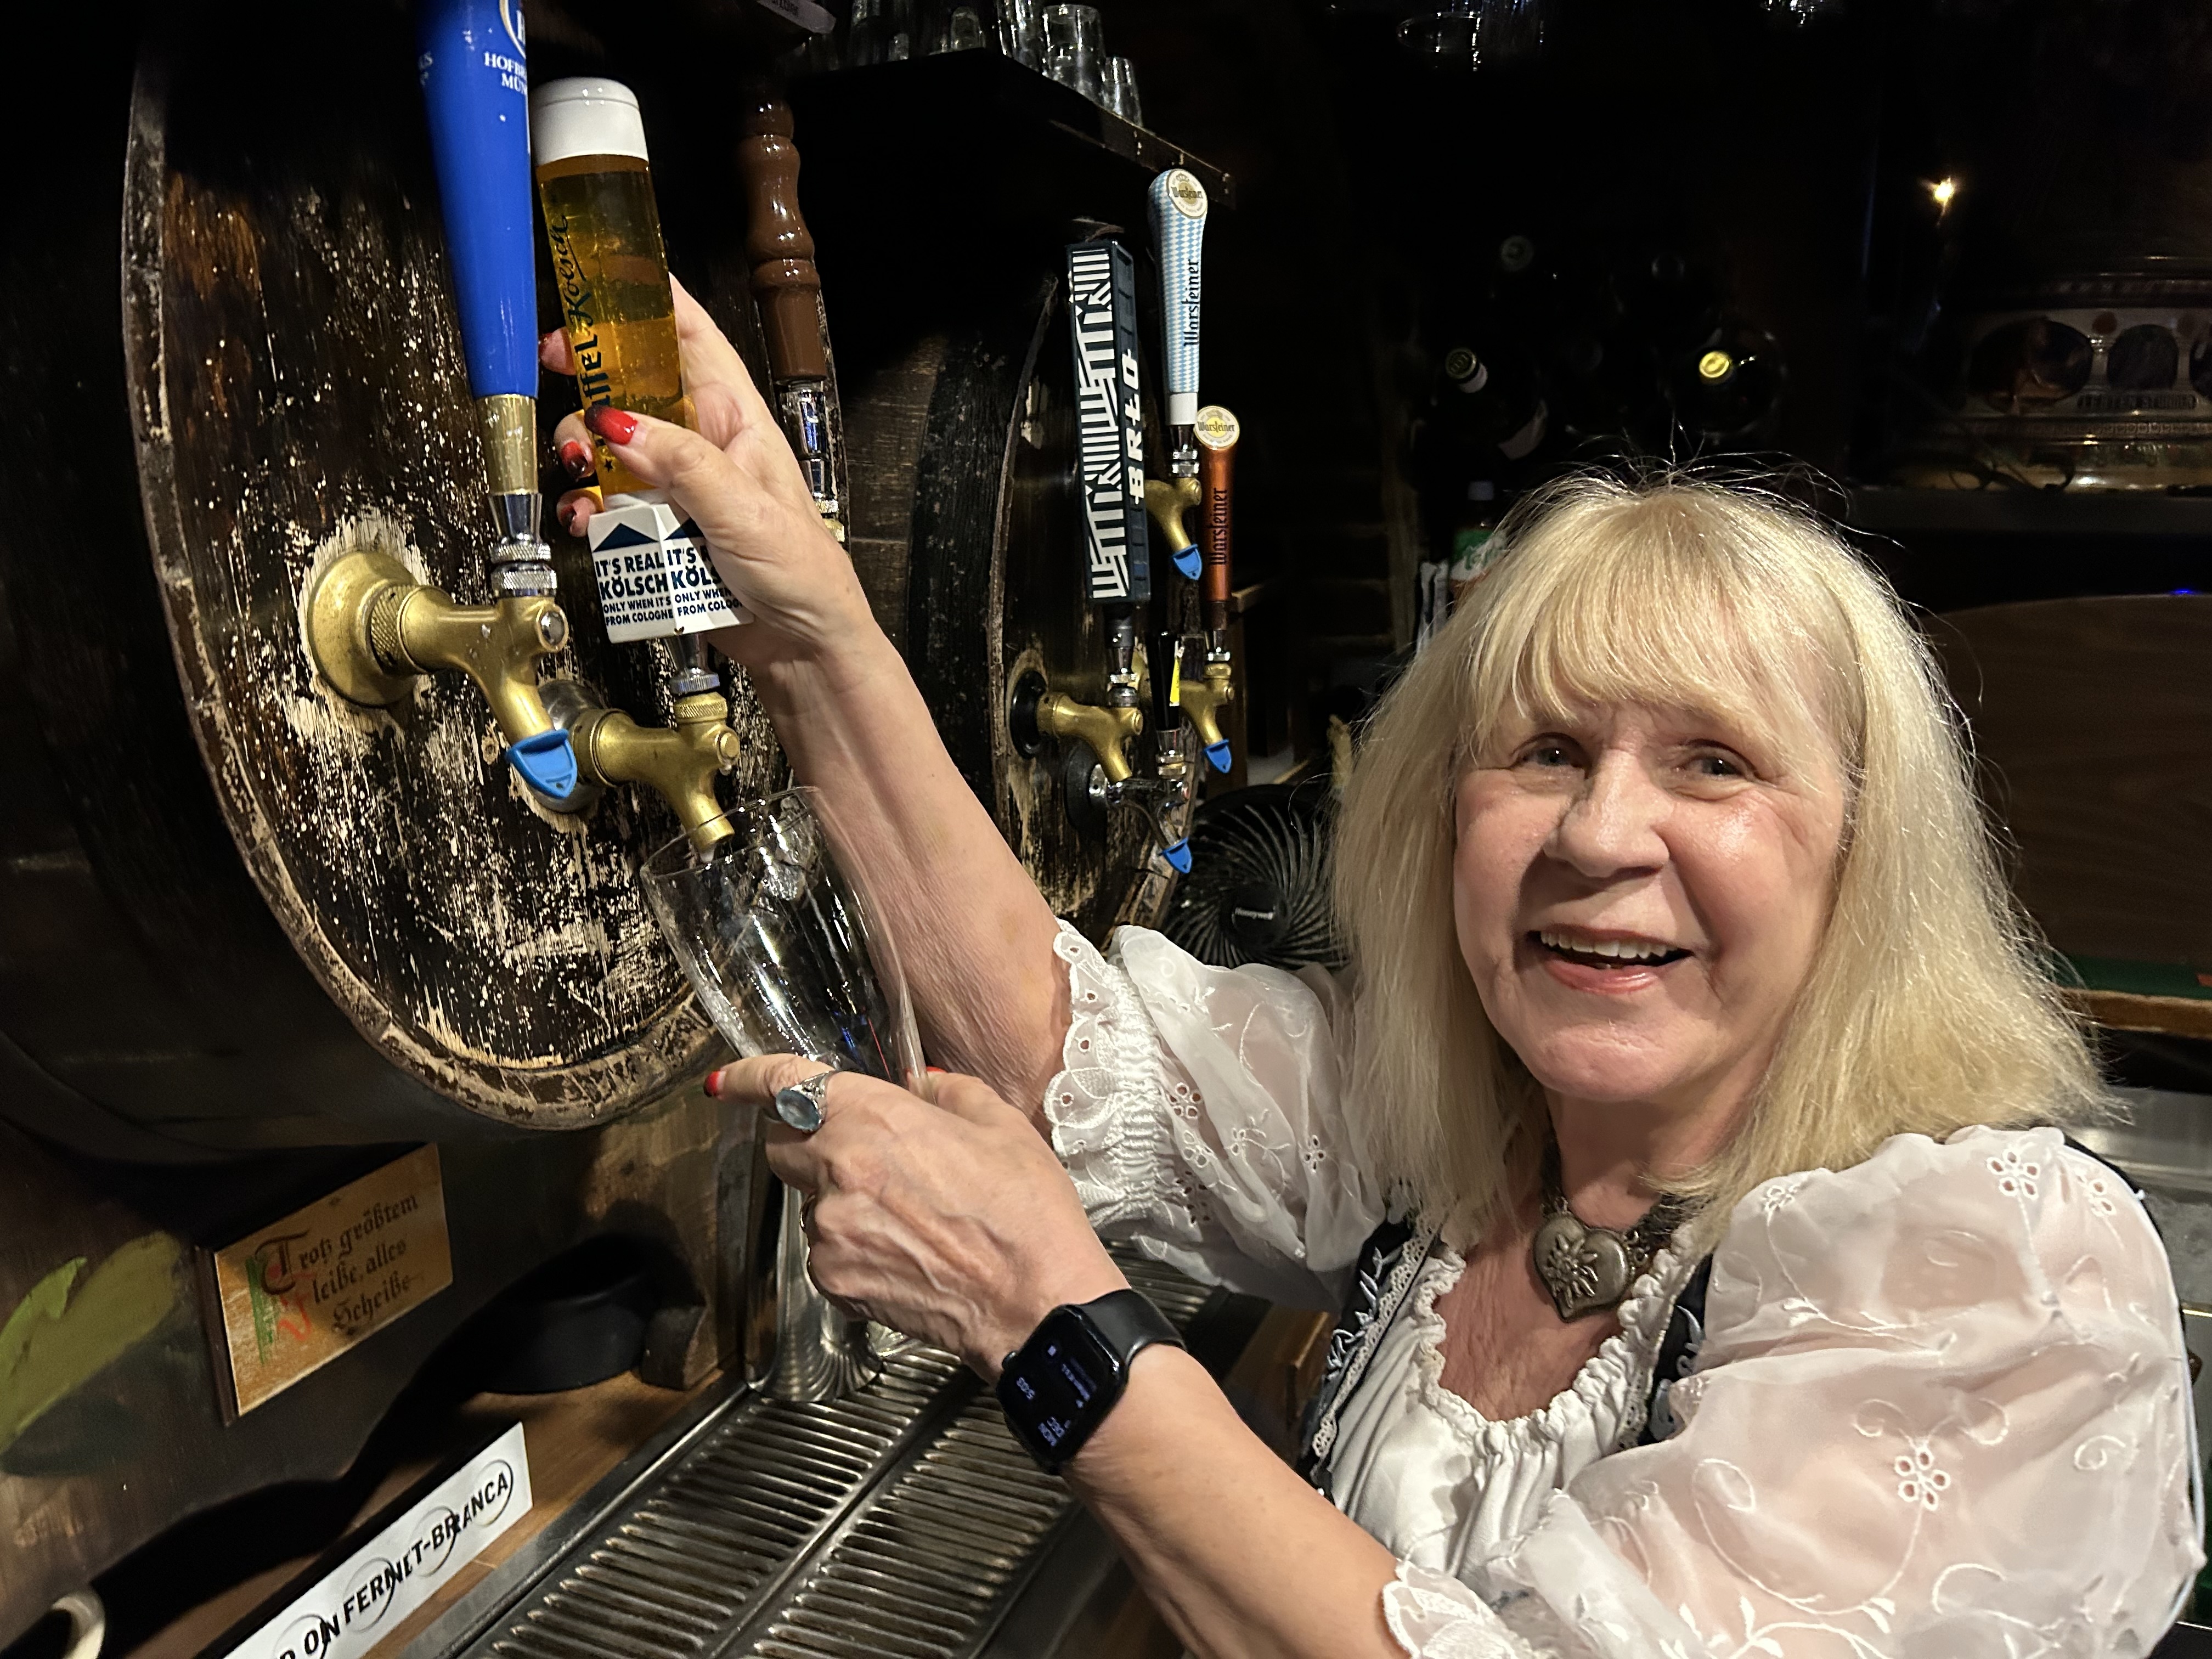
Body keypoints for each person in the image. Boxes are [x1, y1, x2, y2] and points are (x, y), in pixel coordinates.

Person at [545, 288, 2203, 1658]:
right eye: (1545, 749)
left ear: (1864, 854)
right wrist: (807, 615)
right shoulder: (1463, 1126)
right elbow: (1043, 1040)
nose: (1601, 833)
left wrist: (1054, 1324)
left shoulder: (1991, 1275)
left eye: (1713, 766)